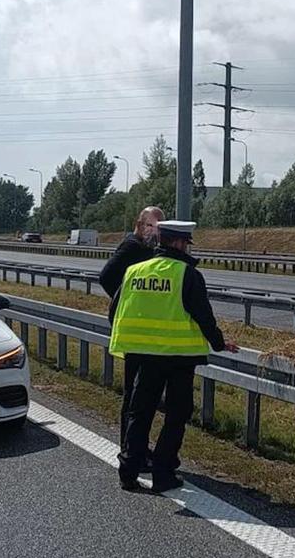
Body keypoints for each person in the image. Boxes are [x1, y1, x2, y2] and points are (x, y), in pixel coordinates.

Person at [108, 220, 238, 492]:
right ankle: (163, 472)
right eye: (186, 243)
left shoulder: (134, 271)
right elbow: (203, 315)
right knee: (177, 414)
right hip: (179, 357)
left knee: (139, 411)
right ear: (179, 243)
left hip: (144, 355)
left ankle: (128, 472)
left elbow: (115, 309)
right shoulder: (187, 274)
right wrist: (219, 343)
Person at [100, 206, 165, 462]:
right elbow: (106, 277)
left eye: (159, 227)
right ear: (140, 225)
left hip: (142, 332)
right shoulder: (132, 247)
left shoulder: (147, 249)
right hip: (133, 330)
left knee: (142, 394)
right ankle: (130, 449)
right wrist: (127, 300)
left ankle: (135, 446)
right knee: (134, 394)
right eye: (151, 226)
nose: (155, 232)